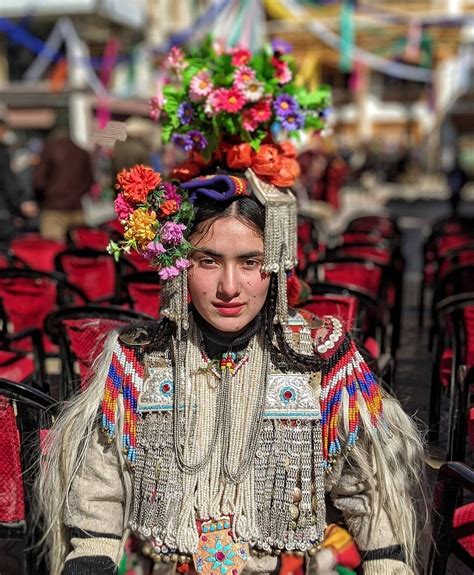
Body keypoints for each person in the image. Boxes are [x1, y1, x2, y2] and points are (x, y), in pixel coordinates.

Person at [38, 40, 427, 575]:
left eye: (249, 261)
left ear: (278, 263)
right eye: (207, 260)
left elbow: (370, 492)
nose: (229, 285)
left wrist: (389, 564)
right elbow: (97, 485)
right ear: (179, 263)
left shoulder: (321, 361)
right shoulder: (137, 362)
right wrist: (93, 558)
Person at [32, 112, 94, 241]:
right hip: (77, 208)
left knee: (52, 253)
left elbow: (38, 181)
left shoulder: (49, 149)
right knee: (80, 253)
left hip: (54, 209)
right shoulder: (82, 152)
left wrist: (41, 200)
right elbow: (89, 181)